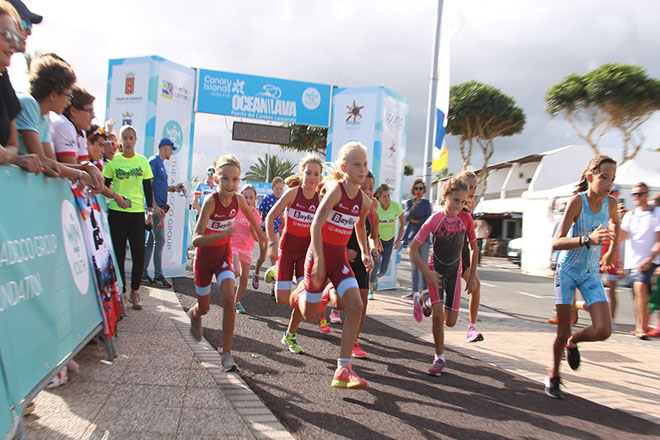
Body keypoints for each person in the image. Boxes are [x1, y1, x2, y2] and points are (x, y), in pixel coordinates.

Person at [290, 141, 372, 388]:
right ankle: (299, 294)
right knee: (309, 314)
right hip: (319, 256)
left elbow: (360, 226)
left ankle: (343, 369)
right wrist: (318, 259)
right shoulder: (336, 191)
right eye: (357, 165)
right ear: (344, 168)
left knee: (355, 305)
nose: (363, 169)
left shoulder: (364, 201)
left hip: (339, 260)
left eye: (365, 164)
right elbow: (316, 224)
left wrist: (365, 252)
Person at [545, 154, 620, 399]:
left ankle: (574, 342)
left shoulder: (610, 204)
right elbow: (556, 242)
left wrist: (611, 251)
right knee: (562, 330)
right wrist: (587, 239)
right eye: (604, 177)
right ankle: (554, 375)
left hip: (590, 274)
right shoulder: (578, 202)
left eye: (612, 179)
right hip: (567, 271)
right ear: (590, 177)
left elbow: (616, 224)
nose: (608, 183)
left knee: (604, 330)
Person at [189, 154, 266, 372]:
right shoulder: (210, 202)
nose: (230, 184)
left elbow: (251, 218)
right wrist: (223, 234)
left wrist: (262, 237)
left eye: (234, 179)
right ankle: (195, 313)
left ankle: (227, 354)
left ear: (239, 180)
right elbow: (196, 239)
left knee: (228, 299)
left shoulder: (239, 200)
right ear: (216, 178)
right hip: (204, 260)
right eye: (225, 178)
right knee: (205, 307)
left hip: (223, 257)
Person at [408, 177, 478, 377]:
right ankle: (439, 358)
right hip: (435, 270)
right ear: (445, 197)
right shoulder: (435, 219)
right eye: (455, 200)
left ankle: (425, 300)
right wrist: (428, 273)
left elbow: (474, 247)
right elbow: (413, 249)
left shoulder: (466, 219)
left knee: (450, 322)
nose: (458, 206)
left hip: (454, 272)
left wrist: (472, 275)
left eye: (463, 202)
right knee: (438, 315)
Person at [262, 154, 322, 353]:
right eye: (308, 173)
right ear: (301, 173)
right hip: (287, 250)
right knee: (281, 300)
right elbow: (270, 217)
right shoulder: (292, 194)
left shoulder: (321, 201)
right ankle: (276, 270)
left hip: (305, 254)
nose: (312, 177)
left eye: (316, 174)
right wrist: (272, 242)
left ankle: (290, 334)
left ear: (320, 178)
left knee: (301, 294)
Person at [102, 125, 153, 310]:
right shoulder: (113, 161)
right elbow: (104, 185)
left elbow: (148, 188)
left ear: (136, 140)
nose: (129, 141)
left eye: (132, 138)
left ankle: (135, 291)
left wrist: (150, 213)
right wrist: (114, 198)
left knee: (139, 254)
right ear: (121, 140)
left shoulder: (143, 161)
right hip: (117, 212)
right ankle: (122, 291)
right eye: (125, 138)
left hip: (137, 213)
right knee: (118, 254)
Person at [0, 2, 39, 174]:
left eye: (15, 37)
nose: (15, 45)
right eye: (7, 35)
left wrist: (8, 155)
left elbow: (12, 146)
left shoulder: (3, 80)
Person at [142, 137, 185, 288]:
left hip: (159, 208)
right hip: (156, 209)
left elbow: (159, 185)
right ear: (165, 147)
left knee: (151, 242)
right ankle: (157, 275)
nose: (172, 152)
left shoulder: (159, 163)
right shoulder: (154, 161)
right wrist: (153, 206)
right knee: (159, 241)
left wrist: (173, 188)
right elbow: (148, 185)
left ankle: (143, 274)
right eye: (171, 149)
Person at [620, 182, 660, 340]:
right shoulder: (630, 215)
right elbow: (623, 236)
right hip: (632, 262)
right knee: (639, 295)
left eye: (640, 194)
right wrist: (616, 221)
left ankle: (641, 328)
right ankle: (641, 326)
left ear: (647, 194)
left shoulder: (656, 213)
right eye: (634, 194)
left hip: (651, 261)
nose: (637, 197)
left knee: (640, 287)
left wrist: (649, 260)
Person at [50, 85, 104, 191]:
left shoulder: (81, 131)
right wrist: (90, 172)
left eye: (93, 112)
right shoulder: (64, 125)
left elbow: (84, 168)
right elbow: (75, 172)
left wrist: (113, 194)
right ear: (73, 111)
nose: (93, 117)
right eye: (89, 111)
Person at [457, 170, 484, 343]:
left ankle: (471, 328)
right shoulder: (452, 204)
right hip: (446, 253)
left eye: (475, 187)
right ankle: (424, 300)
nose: (473, 191)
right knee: (438, 293)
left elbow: (472, 242)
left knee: (476, 285)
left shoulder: (471, 206)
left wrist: (472, 274)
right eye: (469, 187)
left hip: (463, 252)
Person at [231, 183, 265, 315]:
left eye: (251, 197)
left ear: (255, 199)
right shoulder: (235, 210)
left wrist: (256, 234)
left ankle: (237, 301)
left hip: (246, 248)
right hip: (233, 244)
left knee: (244, 278)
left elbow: (255, 236)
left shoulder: (255, 214)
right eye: (245, 197)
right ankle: (226, 293)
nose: (248, 200)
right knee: (236, 271)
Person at [370, 183, 405, 299]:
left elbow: (403, 223)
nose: (387, 199)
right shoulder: (376, 206)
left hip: (389, 240)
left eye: (388, 195)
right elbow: (371, 222)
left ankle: (375, 277)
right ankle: (370, 289)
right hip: (377, 239)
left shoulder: (395, 206)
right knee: (376, 263)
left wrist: (398, 240)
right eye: (384, 196)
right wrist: (374, 238)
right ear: (379, 198)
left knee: (383, 270)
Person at [401, 179, 431, 300]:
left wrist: (416, 221)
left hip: (424, 237)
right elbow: (406, 217)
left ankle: (424, 291)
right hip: (412, 237)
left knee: (423, 265)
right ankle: (414, 291)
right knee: (414, 266)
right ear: (413, 190)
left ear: (424, 190)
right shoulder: (409, 203)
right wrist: (413, 206)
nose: (418, 191)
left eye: (421, 188)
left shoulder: (426, 203)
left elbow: (428, 219)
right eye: (416, 188)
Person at [258, 176, 285, 269]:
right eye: (277, 188)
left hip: (275, 230)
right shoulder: (267, 199)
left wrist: (286, 226)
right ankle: (256, 272)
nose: (279, 191)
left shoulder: (282, 201)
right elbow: (258, 212)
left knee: (275, 255)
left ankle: (274, 276)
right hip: (264, 230)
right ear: (272, 188)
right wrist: (260, 223)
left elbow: (281, 216)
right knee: (262, 257)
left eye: (281, 189)